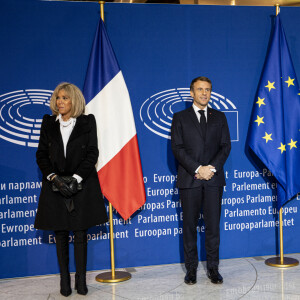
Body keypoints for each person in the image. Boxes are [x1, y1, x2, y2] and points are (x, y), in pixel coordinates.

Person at [34, 82, 108, 297]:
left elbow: (92, 153)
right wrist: (54, 178)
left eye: (65, 98)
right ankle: (64, 282)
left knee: (80, 233)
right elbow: (41, 155)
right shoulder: (48, 123)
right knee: (60, 234)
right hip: (55, 187)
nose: (60, 101)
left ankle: (81, 282)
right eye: (58, 97)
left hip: (81, 186)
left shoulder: (87, 122)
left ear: (74, 100)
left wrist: (75, 179)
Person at [171, 76, 231, 285]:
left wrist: (210, 169)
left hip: (213, 180)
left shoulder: (220, 117)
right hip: (190, 180)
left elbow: (225, 147)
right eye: (200, 89)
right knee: (189, 226)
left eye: (207, 90)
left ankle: (213, 269)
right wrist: (198, 169)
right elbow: (177, 149)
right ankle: (191, 270)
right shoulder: (180, 117)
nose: (204, 93)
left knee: (213, 227)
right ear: (192, 93)